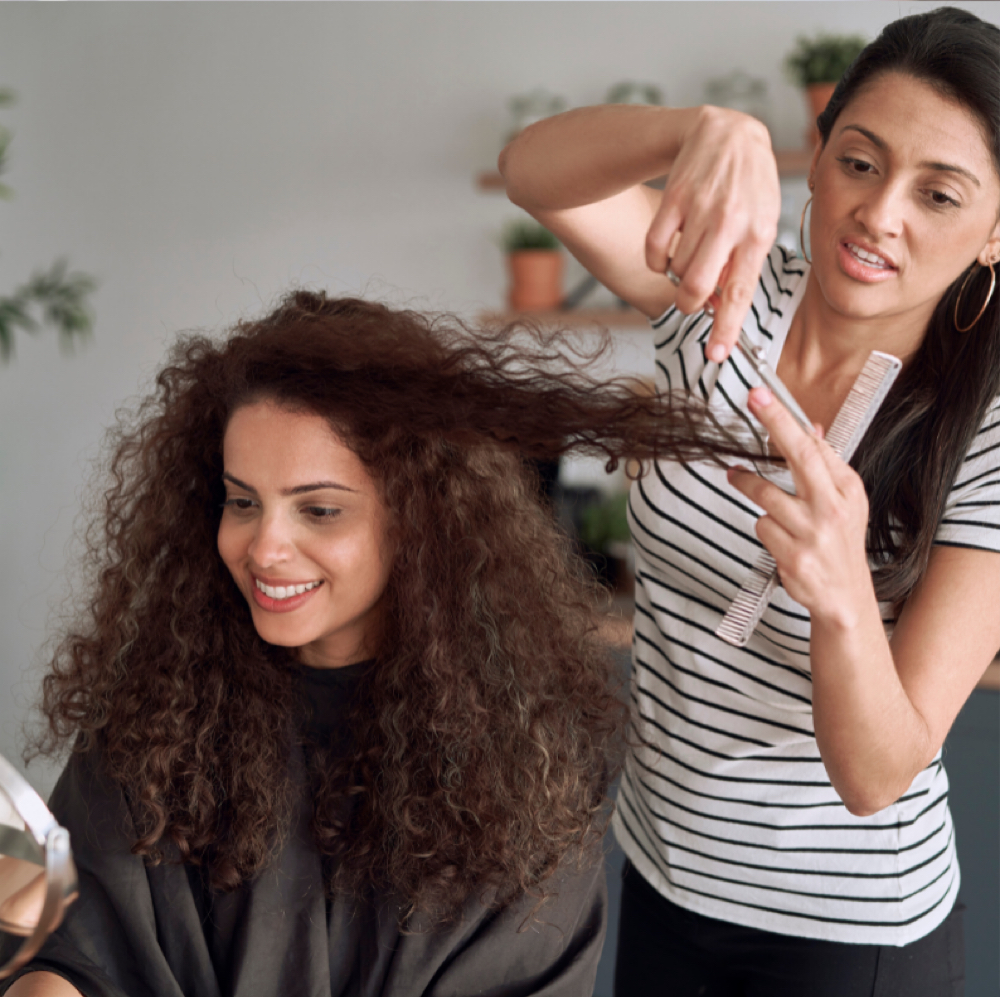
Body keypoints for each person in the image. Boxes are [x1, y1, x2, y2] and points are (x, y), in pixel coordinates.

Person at [0, 292, 755, 997]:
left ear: (417, 523)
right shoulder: (159, 713)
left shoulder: (522, 765)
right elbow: (67, 941)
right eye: (241, 501)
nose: (266, 547)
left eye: (319, 510)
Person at [500, 6, 999, 995]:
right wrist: (694, 129)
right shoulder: (724, 297)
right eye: (859, 162)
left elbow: (878, 774)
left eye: (938, 194)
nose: (880, 213)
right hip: (658, 875)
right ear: (815, 159)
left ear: (994, 235)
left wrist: (841, 596)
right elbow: (530, 172)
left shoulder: (984, 427)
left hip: (842, 936)